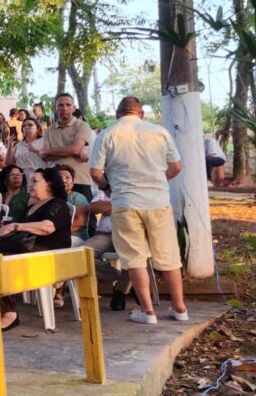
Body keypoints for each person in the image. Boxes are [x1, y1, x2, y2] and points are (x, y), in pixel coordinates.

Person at [89, 96, 188, 325]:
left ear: (118, 114)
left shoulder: (107, 134)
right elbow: (176, 167)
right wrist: (158, 181)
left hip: (125, 203)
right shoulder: (159, 132)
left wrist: (107, 187)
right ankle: (180, 308)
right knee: (169, 257)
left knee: (134, 258)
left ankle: (148, 311)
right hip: (158, 202)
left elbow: (95, 173)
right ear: (141, 113)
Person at [0, 167, 73, 330]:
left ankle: (9, 314)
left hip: (50, 254)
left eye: (35, 181)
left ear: (48, 185)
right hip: (30, 251)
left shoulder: (57, 204)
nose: (30, 185)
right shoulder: (31, 207)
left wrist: (15, 226)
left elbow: (47, 227)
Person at [82, 175, 129, 311]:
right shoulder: (103, 192)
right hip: (105, 235)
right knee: (83, 253)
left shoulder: (131, 190)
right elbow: (92, 208)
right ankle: (119, 278)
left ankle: (120, 293)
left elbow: (132, 209)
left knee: (135, 258)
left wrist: (107, 208)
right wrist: (118, 206)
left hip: (128, 235)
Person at [42, 93, 95, 201]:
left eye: (68, 105)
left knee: (84, 211)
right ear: (56, 108)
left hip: (80, 180)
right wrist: (73, 152)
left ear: (74, 108)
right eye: (61, 105)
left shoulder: (82, 125)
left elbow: (75, 149)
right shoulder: (48, 131)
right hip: (56, 182)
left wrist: (49, 151)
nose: (64, 108)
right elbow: (44, 156)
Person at [56, 164, 89, 241]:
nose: (63, 180)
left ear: (73, 183)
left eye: (67, 178)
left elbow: (81, 222)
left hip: (75, 237)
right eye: (60, 178)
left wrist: (57, 234)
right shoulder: (51, 198)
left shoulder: (78, 197)